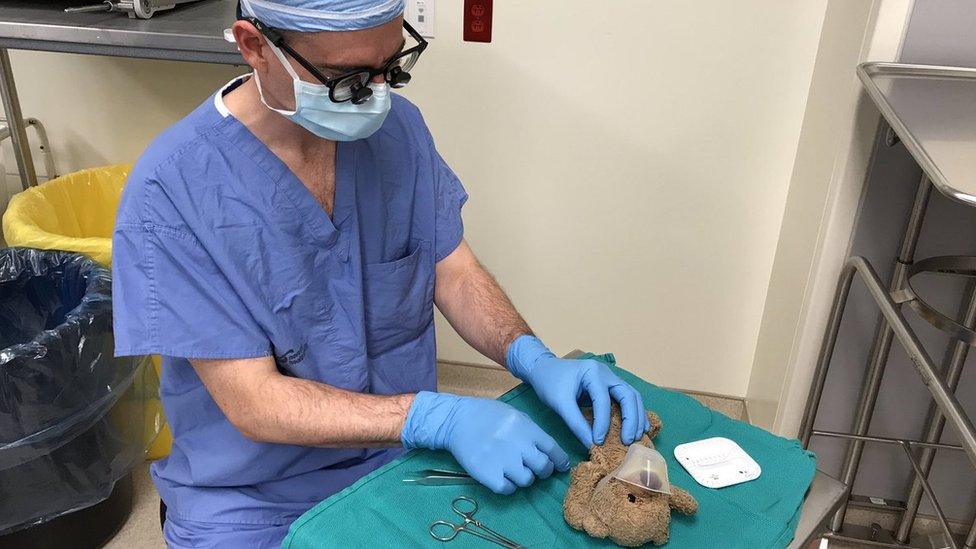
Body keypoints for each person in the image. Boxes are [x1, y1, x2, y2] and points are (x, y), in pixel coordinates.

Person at [112, 0, 649, 546]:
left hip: (400, 462)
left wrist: (532, 358)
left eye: (389, 68)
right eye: (347, 78)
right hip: (252, 497)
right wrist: (433, 418)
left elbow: (454, 270)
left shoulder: (400, 132)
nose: (375, 95)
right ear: (254, 46)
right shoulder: (172, 192)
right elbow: (254, 401)